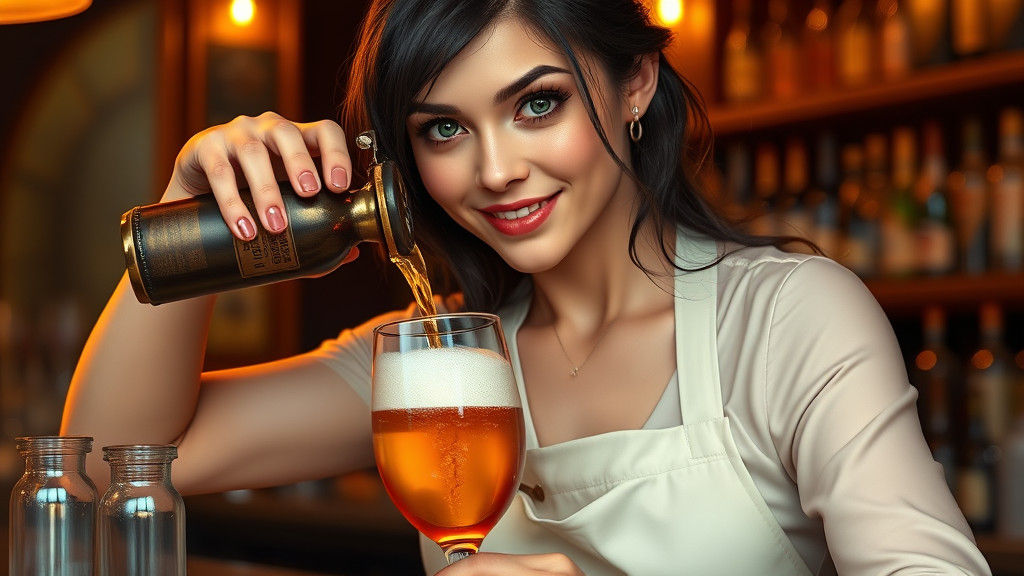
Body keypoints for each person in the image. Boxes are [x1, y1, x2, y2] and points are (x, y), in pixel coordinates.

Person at [62, 0, 992, 574]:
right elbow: (109, 465)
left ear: (636, 84)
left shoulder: (788, 317)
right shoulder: (439, 362)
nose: (496, 169)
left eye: (535, 103)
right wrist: (194, 225)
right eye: (443, 130)